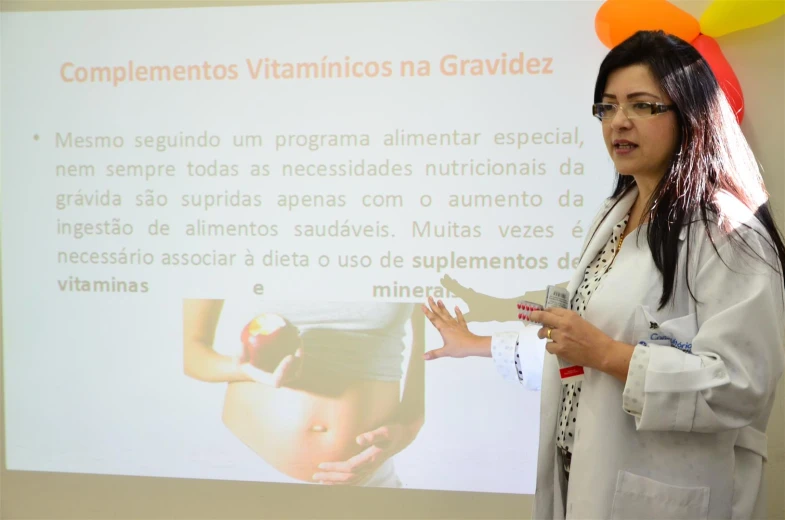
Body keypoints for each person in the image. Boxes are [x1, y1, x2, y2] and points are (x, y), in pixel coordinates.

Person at [422, 30, 785, 519]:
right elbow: (582, 349)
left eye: (641, 106)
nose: (619, 122)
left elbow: (742, 385)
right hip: (583, 474)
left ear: (691, 115)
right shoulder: (614, 213)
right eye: (608, 107)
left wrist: (612, 356)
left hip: (669, 493)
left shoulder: (728, 232)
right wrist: (480, 344)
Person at [183, 299, 425, 487]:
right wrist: (244, 370)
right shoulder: (229, 237)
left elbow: (431, 347)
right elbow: (191, 352)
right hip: (247, 468)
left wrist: (407, 430)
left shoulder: (404, 242)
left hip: (364, 471)